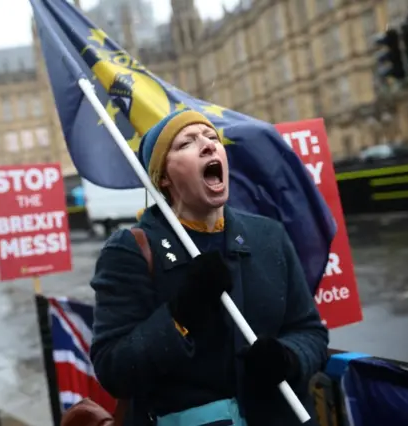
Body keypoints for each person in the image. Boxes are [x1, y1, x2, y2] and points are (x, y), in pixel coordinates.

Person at [89, 109, 329, 426]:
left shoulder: (269, 236)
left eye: (212, 138)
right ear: (163, 177)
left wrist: (289, 357)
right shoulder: (130, 250)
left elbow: (310, 331)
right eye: (187, 143)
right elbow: (113, 369)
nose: (207, 145)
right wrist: (181, 315)